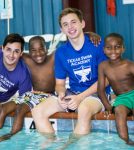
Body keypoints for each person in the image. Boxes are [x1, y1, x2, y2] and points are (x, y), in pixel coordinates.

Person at [0, 32, 101, 143]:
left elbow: (72, 41)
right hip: (32, 95)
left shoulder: (54, 57)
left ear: (46, 48)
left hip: (48, 96)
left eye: (41, 49)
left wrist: (89, 35)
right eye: (34, 51)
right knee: (3, 109)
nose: (38, 53)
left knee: (20, 110)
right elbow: (11, 48)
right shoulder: (26, 58)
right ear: (27, 52)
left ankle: (9, 135)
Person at [31, 7, 109, 139]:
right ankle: (51, 144)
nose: (70, 27)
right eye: (65, 24)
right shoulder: (61, 52)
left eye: (73, 22)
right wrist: (61, 95)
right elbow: (60, 84)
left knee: (83, 110)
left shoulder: (97, 45)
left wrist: (80, 98)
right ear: (62, 29)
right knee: (37, 110)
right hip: (72, 94)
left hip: (97, 94)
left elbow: (105, 79)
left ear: (82, 23)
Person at [98, 33, 134, 145]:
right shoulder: (103, 66)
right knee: (119, 111)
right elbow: (100, 89)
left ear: (123, 48)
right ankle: (126, 142)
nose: (113, 50)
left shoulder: (130, 65)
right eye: (109, 47)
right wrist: (108, 106)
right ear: (104, 49)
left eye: (117, 47)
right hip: (122, 98)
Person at [0, 33, 32, 117]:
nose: (11, 55)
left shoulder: (23, 73)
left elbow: (24, 100)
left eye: (16, 51)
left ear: (21, 53)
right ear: (3, 48)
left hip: (1, 103)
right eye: (8, 49)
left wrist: (4, 106)